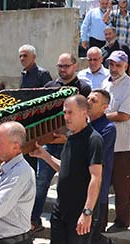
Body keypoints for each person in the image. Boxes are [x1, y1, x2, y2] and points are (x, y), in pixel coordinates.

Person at [31, 95, 103, 244]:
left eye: (70, 112)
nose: (66, 117)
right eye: (65, 112)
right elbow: (65, 169)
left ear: (84, 113)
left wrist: (87, 212)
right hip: (60, 210)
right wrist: (44, 155)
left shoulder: (94, 139)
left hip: (80, 212)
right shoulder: (71, 137)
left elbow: (96, 177)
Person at [30, 53, 92, 231]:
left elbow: (85, 119)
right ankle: (34, 221)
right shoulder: (49, 87)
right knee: (41, 182)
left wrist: (67, 137)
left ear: (75, 66)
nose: (63, 69)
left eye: (66, 66)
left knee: (69, 182)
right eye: (60, 66)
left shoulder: (83, 88)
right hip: (49, 144)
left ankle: (71, 221)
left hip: (71, 144)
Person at [102, 51, 130, 233]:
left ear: (125, 66)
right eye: (111, 64)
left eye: (118, 65)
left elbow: (124, 115)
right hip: (106, 142)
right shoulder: (105, 83)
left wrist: (100, 118)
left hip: (124, 143)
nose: (114, 68)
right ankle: (100, 221)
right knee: (102, 183)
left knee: (121, 185)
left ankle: (122, 222)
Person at [87, 89, 117, 244]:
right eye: (88, 98)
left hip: (98, 187)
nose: (89, 102)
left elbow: (93, 155)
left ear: (105, 107)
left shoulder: (108, 128)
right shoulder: (83, 125)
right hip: (80, 185)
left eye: (94, 100)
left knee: (92, 235)